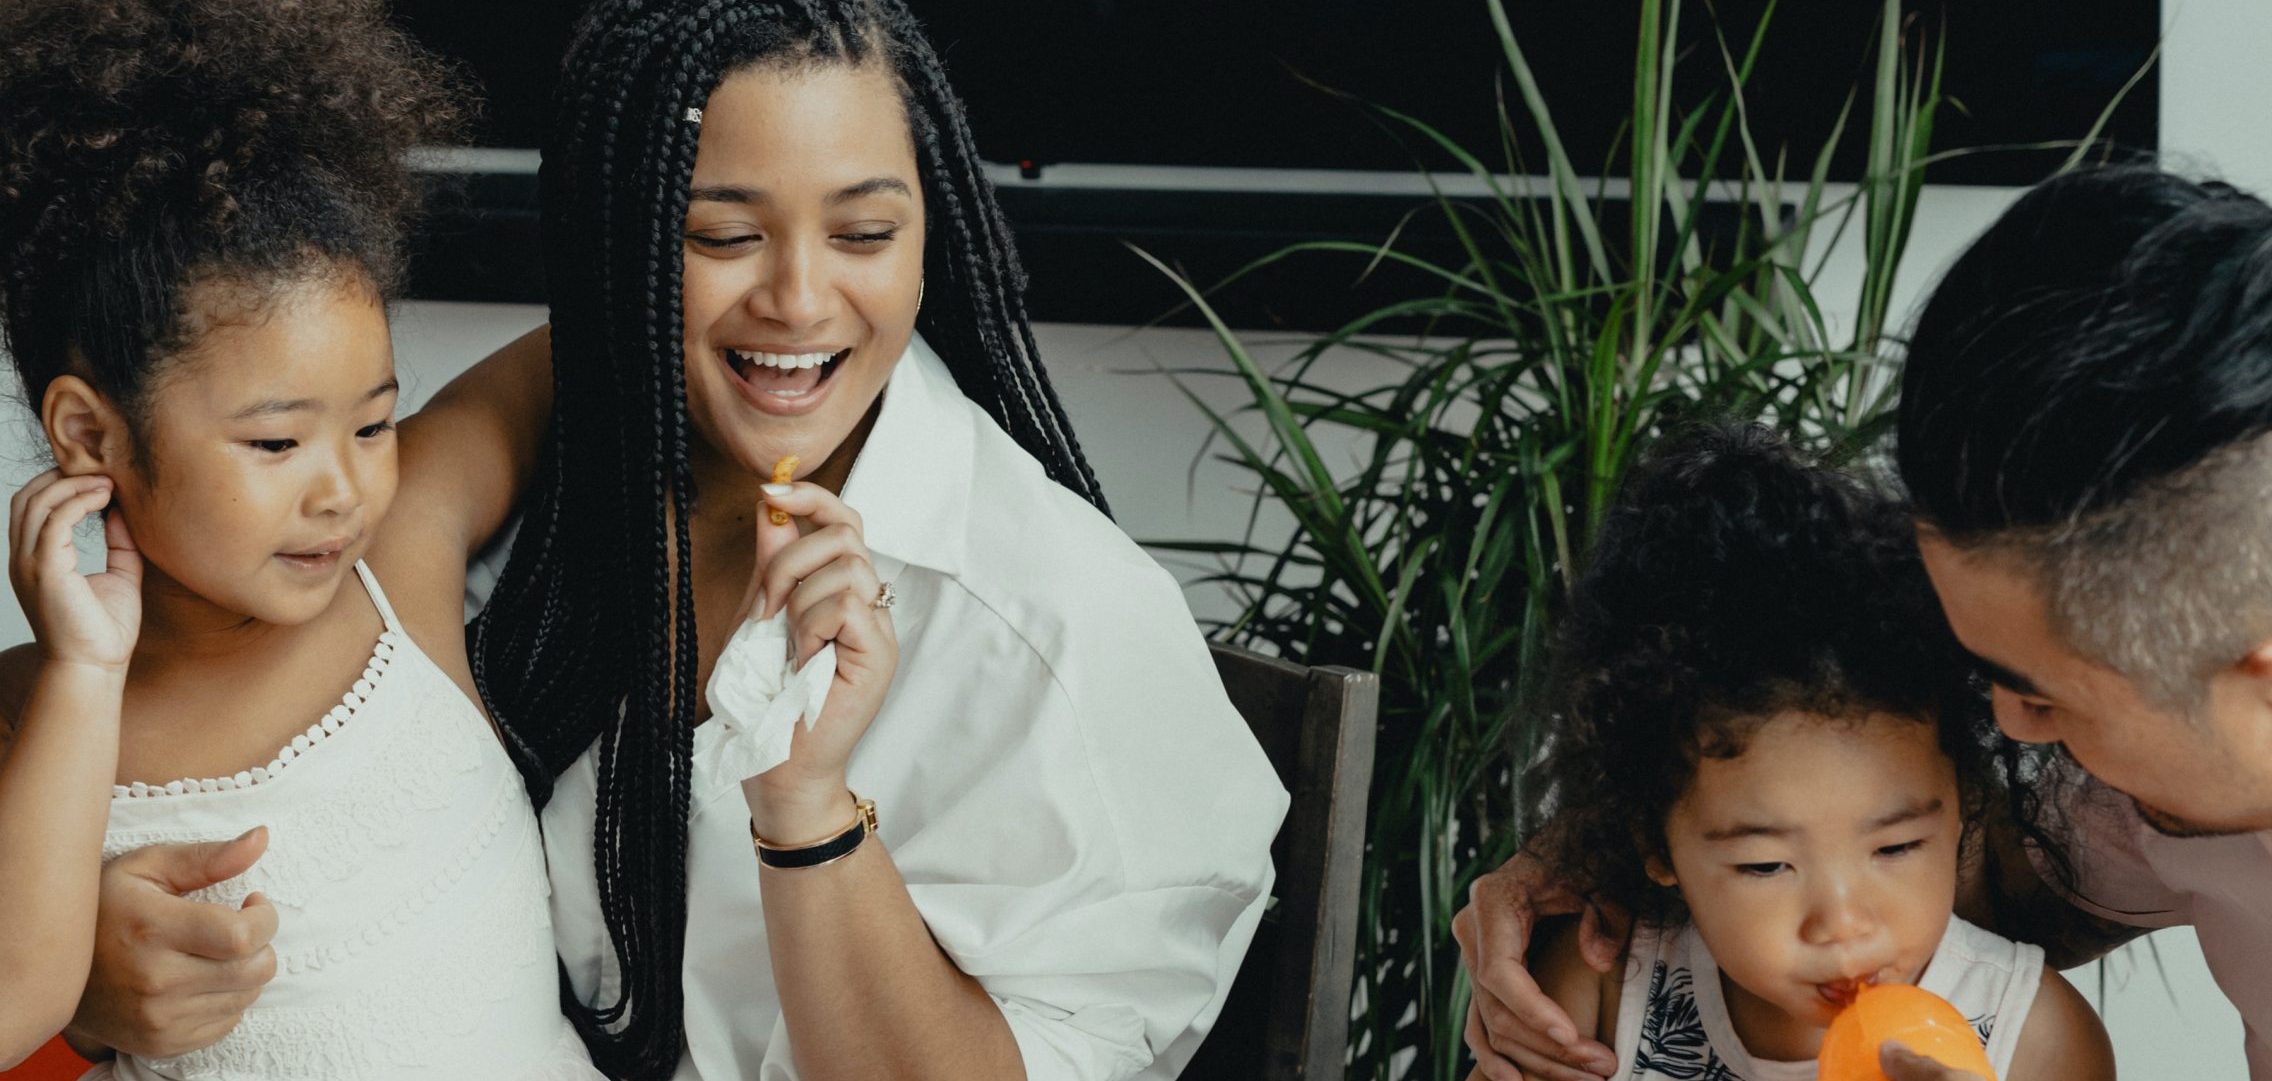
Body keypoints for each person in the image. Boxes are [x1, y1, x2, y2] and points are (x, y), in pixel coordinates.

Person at [69, 2, 1291, 1079]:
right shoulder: (532, 490)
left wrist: (808, 811)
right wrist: (94, 973)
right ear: (621, 244)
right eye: (721, 236)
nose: (799, 299)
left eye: (865, 234)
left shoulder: (1057, 634)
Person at [1457, 165, 2272, 1081]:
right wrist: (1591, 851)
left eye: (2047, 693)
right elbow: (1904, 838)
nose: (2010, 728)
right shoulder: (2136, 799)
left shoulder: (2056, 1013)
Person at [0, 0, 596, 1076]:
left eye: (373, 424)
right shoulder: (27, 722)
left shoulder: (395, 566)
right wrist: (84, 679)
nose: (344, 489)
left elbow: (593, 344)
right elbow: (16, 999)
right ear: (90, 435)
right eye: (275, 443)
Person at [1517, 423, 2110, 1081]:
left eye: (1895, 847)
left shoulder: (2037, 1039)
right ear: (1656, 842)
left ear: (1964, 805)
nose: (1843, 924)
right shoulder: (1604, 986)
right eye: (1766, 864)